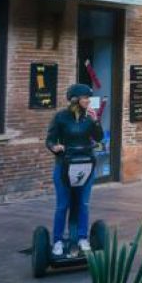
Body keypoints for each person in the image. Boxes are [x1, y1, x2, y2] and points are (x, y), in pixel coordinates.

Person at [45, 84, 104, 256]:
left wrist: (96, 121)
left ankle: (82, 238)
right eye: (85, 97)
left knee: (83, 204)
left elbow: (99, 137)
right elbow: (49, 140)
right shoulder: (61, 117)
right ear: (75, 99)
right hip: (64, 167)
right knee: (63, 205)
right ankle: (57, 240)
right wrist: (54, 147)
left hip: (85, 165)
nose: (88, 100)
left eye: (89, 97)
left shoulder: (89, 118)